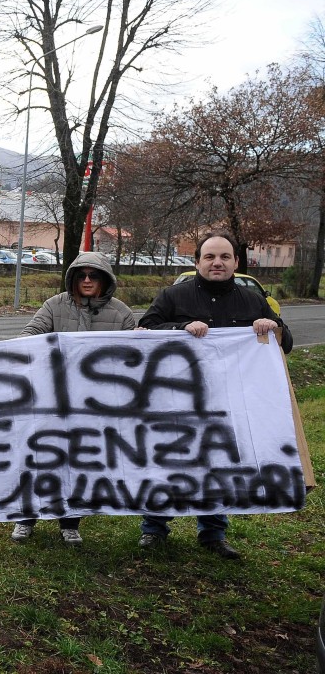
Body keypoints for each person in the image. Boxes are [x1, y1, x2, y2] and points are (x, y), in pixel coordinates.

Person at [136, 230, 293, 560]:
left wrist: (272, 327)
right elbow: (143, 331)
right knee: (169, 457)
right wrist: (180, 328)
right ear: (197, 262)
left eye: (224, 257)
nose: (217, 263)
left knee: (218, 462)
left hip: (229, 400)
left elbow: (286, 342)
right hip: (177, 397)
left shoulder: (253, 300)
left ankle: (213, 532)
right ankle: (154, 528)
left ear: (236, 262)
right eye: (209, 256)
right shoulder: (173, 296)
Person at [12, 252, 136, 546]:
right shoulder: (54, 305)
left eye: (94, 275)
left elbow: (134, 355)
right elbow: (30, 335)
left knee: (80, 463)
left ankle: (70, 522)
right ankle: (26, 518)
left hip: (95, 405)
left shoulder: (121, 314)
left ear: (106, 279)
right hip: (51, 399)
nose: (87, 280)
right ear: (72, 278)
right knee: (39, 457)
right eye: (81, 275)